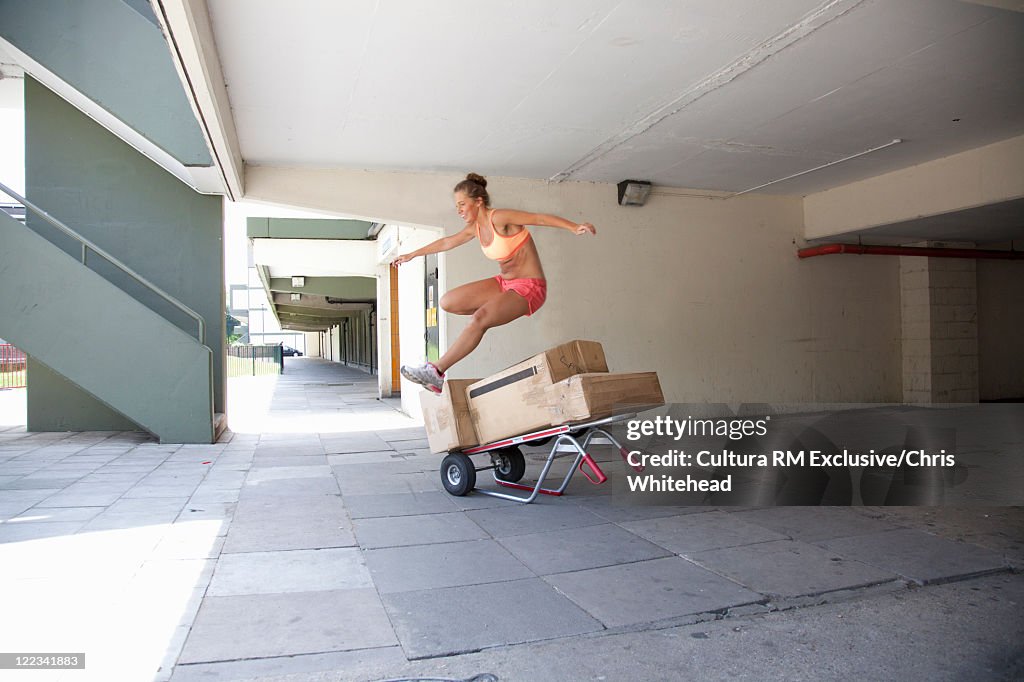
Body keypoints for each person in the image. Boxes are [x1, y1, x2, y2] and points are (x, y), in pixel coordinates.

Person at [392, 172, 596, 393]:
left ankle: (437, 371)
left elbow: (538, 218)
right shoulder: (475, 229)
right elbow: (447, 242)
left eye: (462, 204)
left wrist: (574, 227)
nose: (459, 210)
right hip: (504, 284)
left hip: (530, 287)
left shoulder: (499, 218)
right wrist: (411, 254)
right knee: (448, 302)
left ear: (478, 202)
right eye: (457, 206)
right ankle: (484, 319)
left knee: (479, 319)